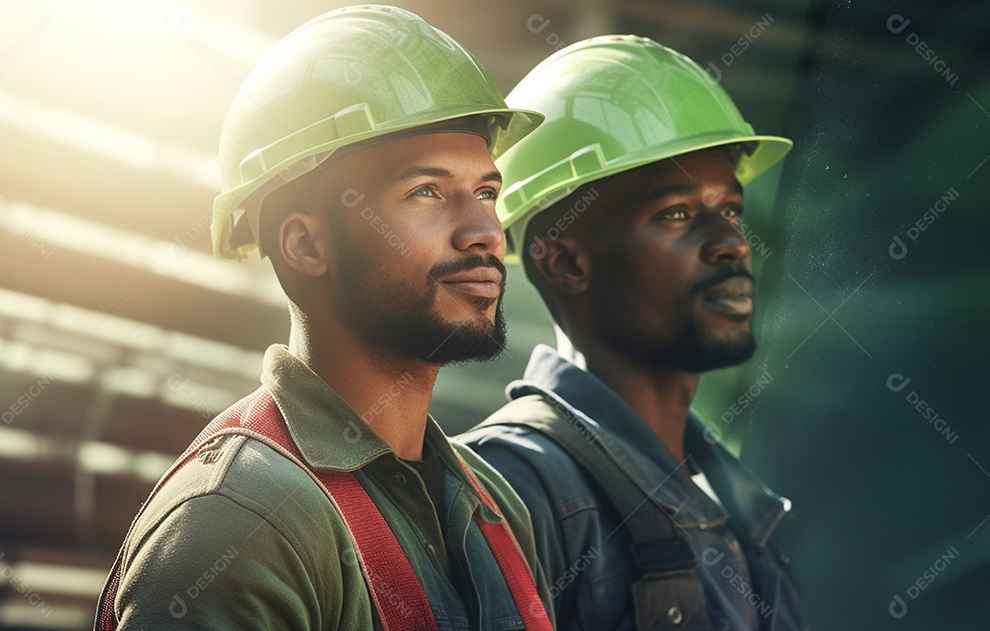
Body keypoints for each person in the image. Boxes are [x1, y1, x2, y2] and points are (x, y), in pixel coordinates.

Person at [94, 6, 552, 629]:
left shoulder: (497, 510)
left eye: (487, 193)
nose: (484, 234)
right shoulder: (238, 522)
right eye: (426, 192)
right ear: (306, 245)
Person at [460, 36, 805, 630]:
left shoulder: (739, 511)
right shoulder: (512, 491)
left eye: (730, 210)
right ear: (565, 262)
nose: (732, 243)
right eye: (676, 213)